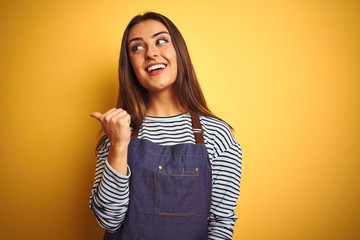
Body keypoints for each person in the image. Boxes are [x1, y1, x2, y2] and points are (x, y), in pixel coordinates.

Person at [89, 12, 242, 240]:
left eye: (161, 41)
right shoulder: (117, 132)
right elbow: (109, 220)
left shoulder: (217, 135)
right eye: (137, 48)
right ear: (130, 65)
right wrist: (119, 147)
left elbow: (221, 225)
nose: (151, 53)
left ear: (178, 51)